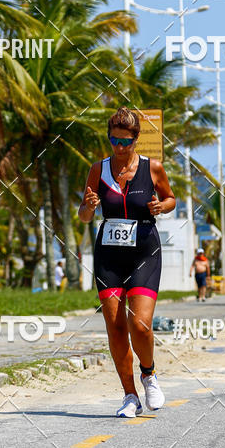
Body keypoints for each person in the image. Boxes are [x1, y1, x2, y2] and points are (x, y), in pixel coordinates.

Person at [78, 106, 176, 418]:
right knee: (116, 326)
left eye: (126, 142)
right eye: (114, 141)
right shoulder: (98, 169)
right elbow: (84, 215)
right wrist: (89, 206)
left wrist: (161, 207)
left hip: (144, 252)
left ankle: (149, 374)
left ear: (136, 139)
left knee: (141, 324)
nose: (119, 148)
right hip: (109, 255)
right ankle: (130, 395)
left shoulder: (152, 167)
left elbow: (171, 199)